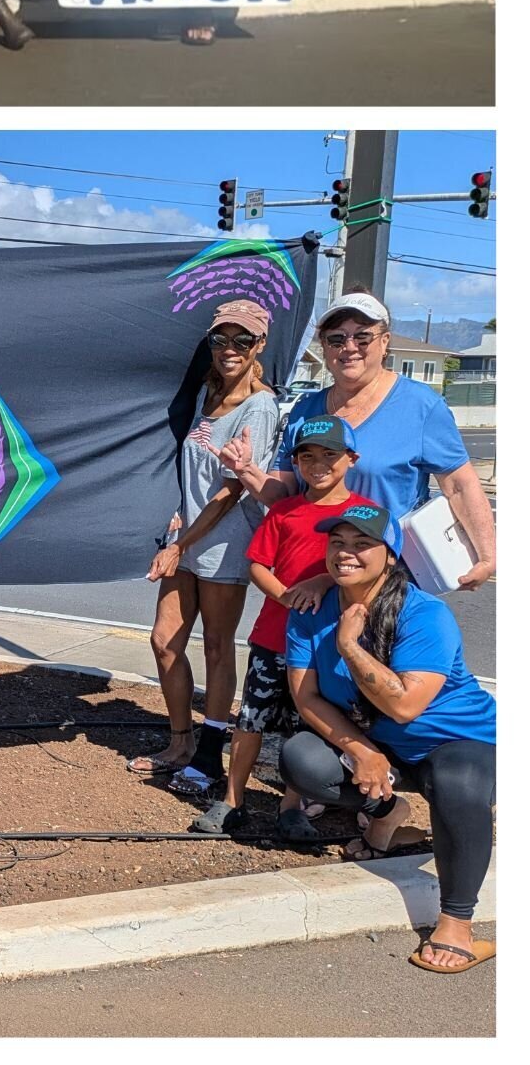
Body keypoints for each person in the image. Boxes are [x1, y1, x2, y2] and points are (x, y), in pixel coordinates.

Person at [281, 505, 496, 972]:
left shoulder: (424, 614)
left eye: (362, 544)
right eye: (338, 542)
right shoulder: (310, 610)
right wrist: (361, 751)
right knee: (300, 759)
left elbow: (403, 705)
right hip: (381, 745)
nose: (347, 553)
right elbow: (307, 699)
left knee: (457, 784)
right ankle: (388, 810)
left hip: (457, 741)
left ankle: (457, 920)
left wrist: (348, 646)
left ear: (391, 555)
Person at [220, 289, 495, 587]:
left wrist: (487, 557)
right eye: (336, 339)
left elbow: (459, 485)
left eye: (362, 337)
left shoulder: (422, 406)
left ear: (385, 342)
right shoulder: (305, 410)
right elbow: (286, 496)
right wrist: (246, 470)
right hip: (307, 575)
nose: (349, 347)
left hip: (386, 579)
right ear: (324, 347)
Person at [188, 417, 370, 837]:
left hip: (329, 645)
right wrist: (286, 595)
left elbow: (376, 566)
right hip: (274, 637)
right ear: (296, 462)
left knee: (305, 726)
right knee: (251, 719)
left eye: (330, 455)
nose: (318, 464)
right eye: (307, 456)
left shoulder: (364, 515)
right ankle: (232, 799)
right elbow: (257, 563)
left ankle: (292, 807)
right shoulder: (285, 510)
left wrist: (324, 580)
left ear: (351, 459)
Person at [135, 301, 278, 795]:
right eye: (222, 340)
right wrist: (177, 520)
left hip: (221, 541)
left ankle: (209, 752)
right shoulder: (205, 393)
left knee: (218, 646)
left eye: (243, 341)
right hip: (186, 536)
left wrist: (181, 544)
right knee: (164, 639)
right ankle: (179, 741)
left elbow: (232, 488)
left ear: (260, 346)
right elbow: (191, 472)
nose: (230, 350)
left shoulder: (260, 406)